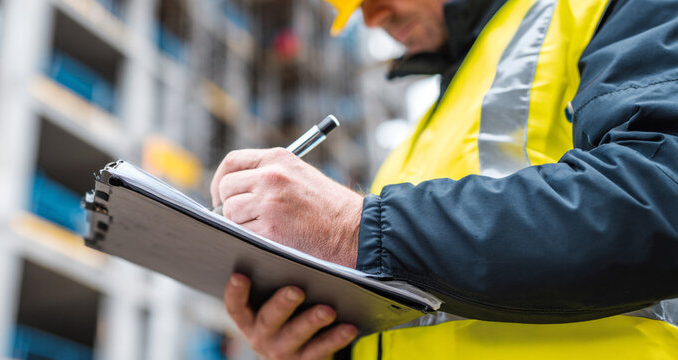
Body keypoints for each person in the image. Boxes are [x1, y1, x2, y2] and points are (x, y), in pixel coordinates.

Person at [210, 0, 678, 358]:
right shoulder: (425, 134)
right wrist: (323, 339)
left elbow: (658, 194)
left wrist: (352, 231)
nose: (371, 18)